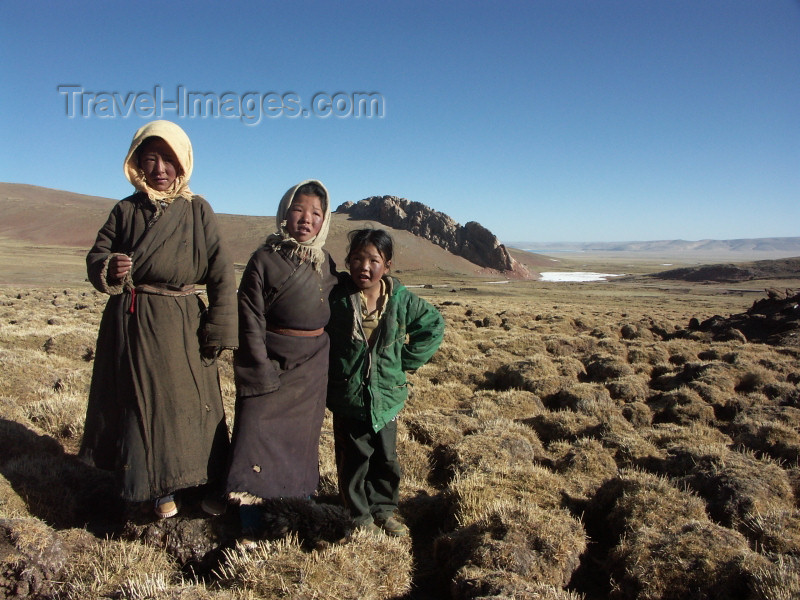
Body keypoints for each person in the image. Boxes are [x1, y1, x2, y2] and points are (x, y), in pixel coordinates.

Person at [80, 120, 237, 519]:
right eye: (150, 158)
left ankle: (204, 480)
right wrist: (108, 268)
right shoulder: (125, 210)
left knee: (196, 406)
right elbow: (96, 255)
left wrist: (218, 327)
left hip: (183, 322)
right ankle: (156, 487)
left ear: (182, 162)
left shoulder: (198, 209)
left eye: (168, 158)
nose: (160, 168)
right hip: (134, 323)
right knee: (142, 405)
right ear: (136, 163)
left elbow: (221, 271)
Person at [225, 180, 338, 537]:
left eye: (316, 214)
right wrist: (259, 371)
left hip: (311, 369)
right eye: (298, 210)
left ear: (324, 221)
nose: (306, 220)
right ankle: (250, 520)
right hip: (271, 362)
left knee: (300, 446)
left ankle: (296, 509)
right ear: (284, 213)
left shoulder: (326, 263)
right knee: (253, 436)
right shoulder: (264, 259)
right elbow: (249, 319)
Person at [326, 228, 445, 536]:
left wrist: (403, 362)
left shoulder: (400, 300)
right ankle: (359, 515)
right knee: (353, 461)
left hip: (387, 396)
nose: (364, 267)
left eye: (373, 260)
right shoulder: (337, 297)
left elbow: (433, 325)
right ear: (348, 261)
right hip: (348, 397)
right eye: (356, 259)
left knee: (386, 458)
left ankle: (384, 509)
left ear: (387, 265)